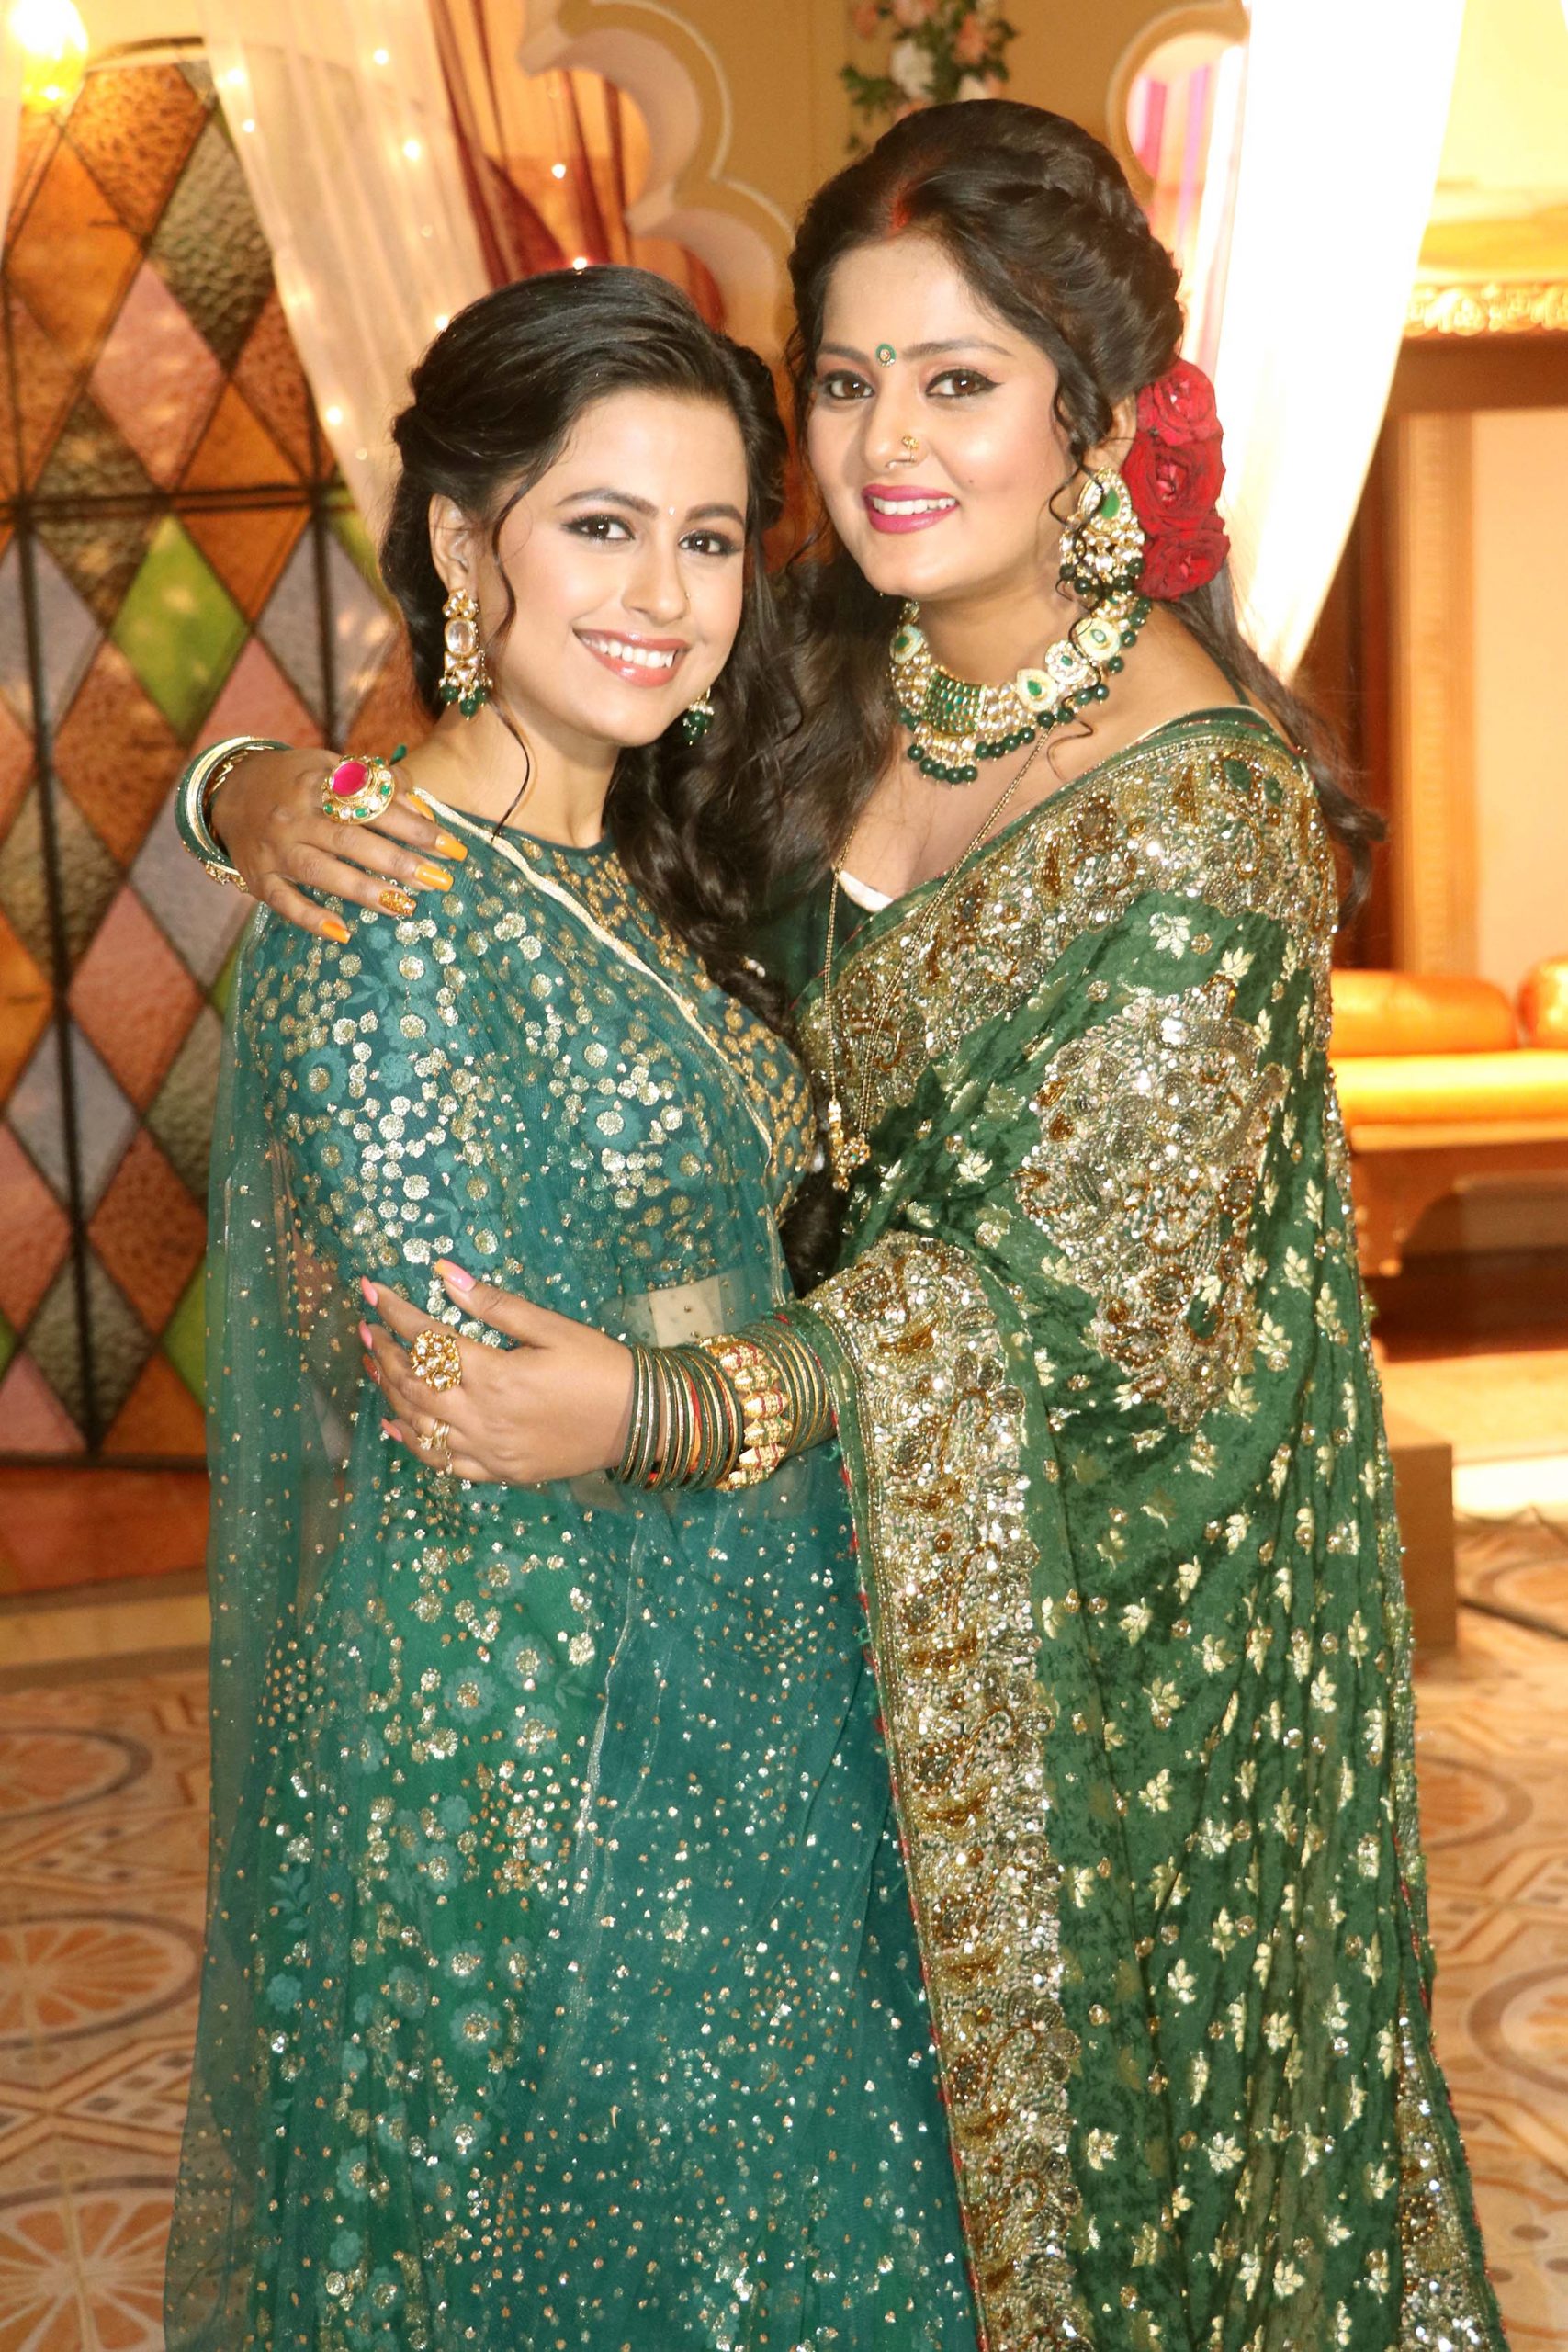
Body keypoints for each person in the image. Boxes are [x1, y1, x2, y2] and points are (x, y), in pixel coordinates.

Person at [182, 105, 1507, 2352]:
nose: (887, 445)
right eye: (846, 379)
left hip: (1087, 1627)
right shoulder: (802, 660)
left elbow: (1069, 1307)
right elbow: (525, 788)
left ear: (1097, 417)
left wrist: (665, 1402)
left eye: (958, 381)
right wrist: (256, 794)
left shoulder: (1198, 820)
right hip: (752, 1609)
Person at [164, 266, 979, 2352]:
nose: (665, 595)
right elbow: (462, 1390)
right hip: (525, 1739)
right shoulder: (384, 904)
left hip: (742, 1672)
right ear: (465, 542)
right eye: (600, 525)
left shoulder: (649, 863)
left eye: (706, 538)